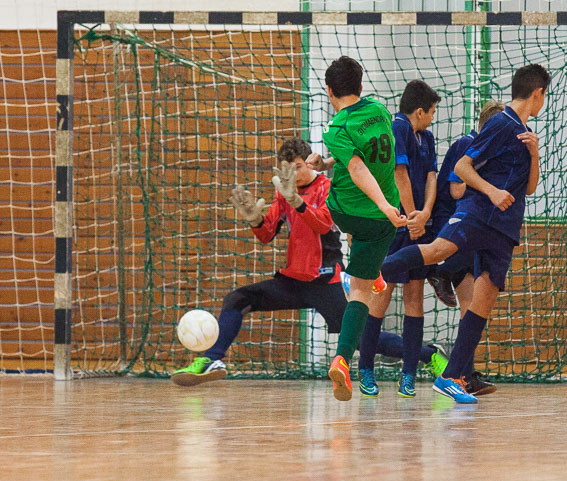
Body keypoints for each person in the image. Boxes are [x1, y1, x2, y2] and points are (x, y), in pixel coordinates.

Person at [171, 138, 444, 386]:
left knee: (361, 338)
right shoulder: (285, 192)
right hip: (293, 279)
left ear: (308, 163)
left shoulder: (327, 187)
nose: (294, 174)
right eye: (287, 169)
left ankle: (428, 354)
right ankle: (212, 359)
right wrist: (254, 219)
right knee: (237, 299)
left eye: (298, 167)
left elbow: (324, 224)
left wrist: (297, 201)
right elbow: (267, 234)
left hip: (325, 280)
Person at [381, 64, 550, 403]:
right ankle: (376, 272)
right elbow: (462, 167)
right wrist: (492, 192)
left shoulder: (525, 131)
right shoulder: (501, 122)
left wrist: (534, 153)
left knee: (482, 304)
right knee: (437, 251)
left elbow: (530, 188)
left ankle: (452, 377)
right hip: (478, 214)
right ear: (538, 93)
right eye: (544, 95)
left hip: (504, 229)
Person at [305, 56, 407, 401]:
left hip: (341, 211)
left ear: (329, 91)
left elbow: (355, 163)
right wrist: (385, 206)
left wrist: (325, 163)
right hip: (377, 219)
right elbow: (362, 165)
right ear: (361, 86)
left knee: (364, 252)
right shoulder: (379, 110)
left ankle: (370, 270)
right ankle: (342, 359)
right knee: (362, 292)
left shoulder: (336, 128)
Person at [351, 80, 441, 398]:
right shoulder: (398, 127)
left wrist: (424, 214)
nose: (433, 118)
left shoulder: (427, 137)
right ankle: (365, 369)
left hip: (416, 224)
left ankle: (409, 374)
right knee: (382, 295)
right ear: (420, 111)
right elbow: (398, 174)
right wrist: (412, 216)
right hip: (394, 226)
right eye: (432, 112)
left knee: (414, 296)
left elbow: (431, 176)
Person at [425, 100, 505, 396]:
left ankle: (464, 375)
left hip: (471, 231)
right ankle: (439, 270)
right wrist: (489, 189)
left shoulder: (483, 149)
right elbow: (457, 190)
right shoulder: (467, 144)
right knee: (470, 302)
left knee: (471, 307)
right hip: (454, 228)